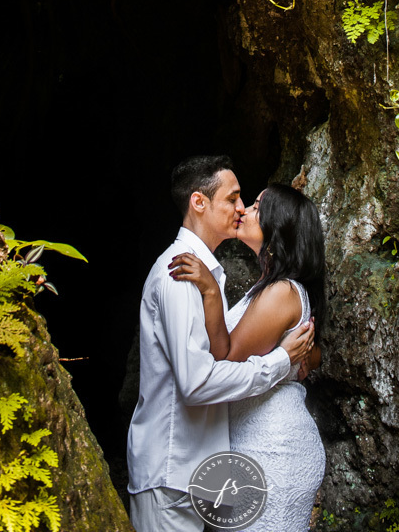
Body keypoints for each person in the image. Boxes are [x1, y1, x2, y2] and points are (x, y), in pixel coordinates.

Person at [127, 157, 315, 532]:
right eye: (234, 198)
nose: (241, 208)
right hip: (172, 470)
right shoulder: (181, 273)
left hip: (201, 473)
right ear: (199, 203)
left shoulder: (207, 275)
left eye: (248, 202)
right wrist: (281, 362)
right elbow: (197, 383)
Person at [170, 182, 326, 532]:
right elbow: (308, 357)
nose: (244, 210)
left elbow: (227, 357)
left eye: (256, 206)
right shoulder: (271, 287)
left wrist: (210, 291)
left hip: (274, 447)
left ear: (278, 226)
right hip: (253, 441)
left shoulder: (282, 291)